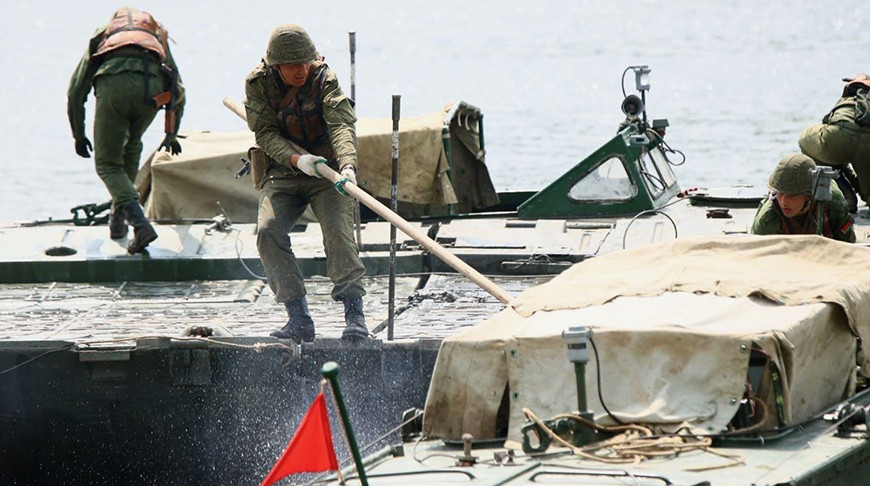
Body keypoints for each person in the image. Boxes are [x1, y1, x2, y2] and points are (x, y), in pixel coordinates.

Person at [244, 24, 368, 342]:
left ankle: (355, 316)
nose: (301, 71)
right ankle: (298, 318)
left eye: (305, 63)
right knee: (268, 231)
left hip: (328, 173)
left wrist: (348, 166)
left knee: (339, 234)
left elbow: (341, 125)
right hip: (284, 171)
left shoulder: (324, 79)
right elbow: (265, 133)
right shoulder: (258, 84)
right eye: (292, 66)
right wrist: (298, 160)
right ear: (276, 66)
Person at [67, 7, 185, 254]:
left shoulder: (104, 33)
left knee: (107, 164)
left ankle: (140, 224)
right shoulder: (156, 35)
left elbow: (76, 90)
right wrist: (171, 133)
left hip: (114, 85)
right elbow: (177, 86)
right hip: (151, 92)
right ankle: (118, 221)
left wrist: (79, 134)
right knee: (132, 146)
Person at [798, 74, 870, 212]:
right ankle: (864, 193)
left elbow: (828, 121)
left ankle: (845, 195)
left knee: (806, 139)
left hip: (839, 134)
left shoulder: (850, 93)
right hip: (867, 144)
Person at [751, 153, 856, 243]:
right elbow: (757, 255)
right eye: (780, 193)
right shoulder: (768, 219)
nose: (783, 202)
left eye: (792, 195)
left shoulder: (833, 203)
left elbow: (848, 244)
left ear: (808, 196)